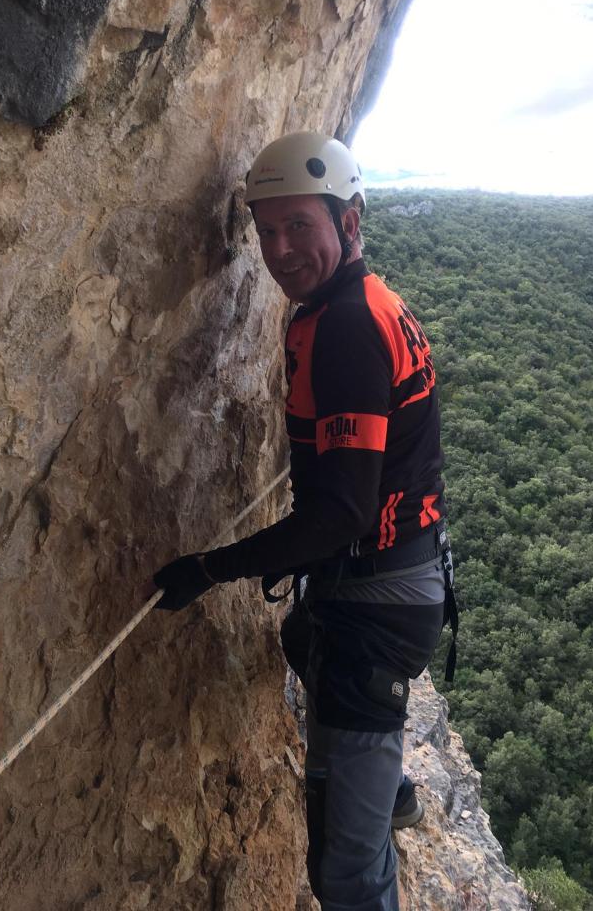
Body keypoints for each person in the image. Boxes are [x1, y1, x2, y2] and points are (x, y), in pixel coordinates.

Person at [152, 132, 456, 911]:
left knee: (347, 877)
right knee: (299, 637)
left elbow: (342, 513)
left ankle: (374, 789)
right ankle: (382, 787)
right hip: (397, 577)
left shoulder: (349, 326)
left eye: (299, 227)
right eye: (268, 229)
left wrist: (210, 568)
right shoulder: (352, 301)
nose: (280, 249)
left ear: (348, 221)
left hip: (378, 605)